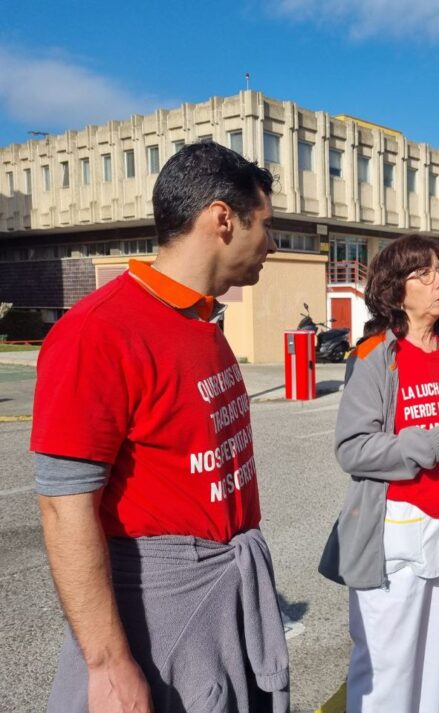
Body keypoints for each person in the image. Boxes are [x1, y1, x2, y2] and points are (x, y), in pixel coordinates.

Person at [30, 142, 289, 713]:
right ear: (223, 219)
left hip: (219, 596)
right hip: (157, 612)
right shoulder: (98, 331)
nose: (271, 244)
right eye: (266, 226)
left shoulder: (202, 322)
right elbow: (62, 507)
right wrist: (108, 665)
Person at [318, 234, 439, 713]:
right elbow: (353, 449)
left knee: (430, 657)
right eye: (425, 274)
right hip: (397, 533)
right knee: (386, 668)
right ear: (396, 288)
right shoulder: (375, 357)